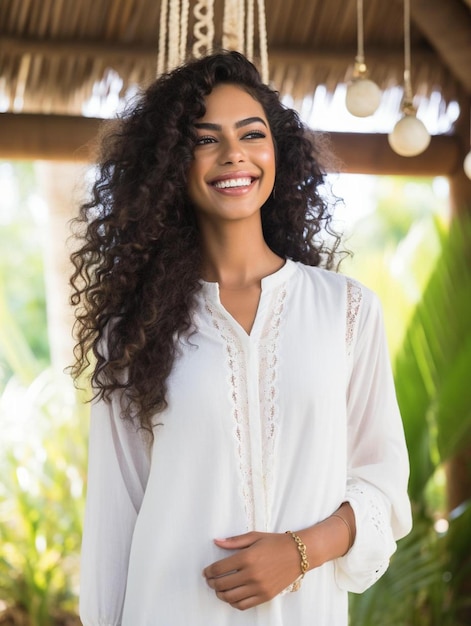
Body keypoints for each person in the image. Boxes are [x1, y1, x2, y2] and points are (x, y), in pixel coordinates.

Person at [71, 50, 412, 626]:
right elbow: (114, 518)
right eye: (205, 140)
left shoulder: (346, 310)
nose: (234, 154)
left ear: (276, 151)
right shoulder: (132, 331)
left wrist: (301, 551)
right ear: (172, 164)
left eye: (251, 134)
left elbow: (384, 488)